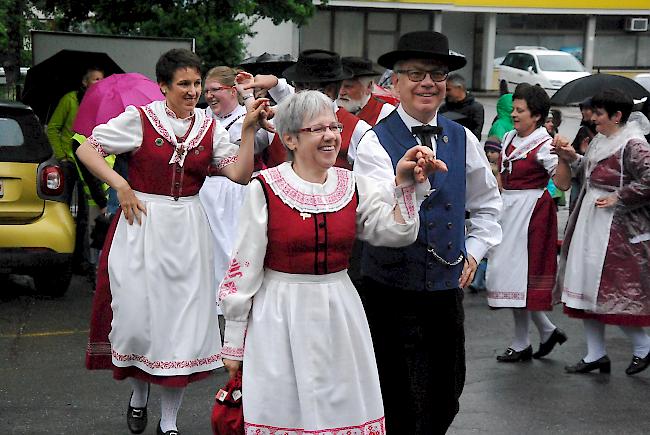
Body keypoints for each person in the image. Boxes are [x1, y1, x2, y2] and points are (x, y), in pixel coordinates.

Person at [219, 90, 443, 433]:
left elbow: (396, 233)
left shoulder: (351, 184)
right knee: (286, 407)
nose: (331, 136)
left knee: (340, 407)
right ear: (290, 138)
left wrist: (405, 185)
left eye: (334, 127)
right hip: (280, 313)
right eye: (318, 129)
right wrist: (234, 343)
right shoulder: (265, 187)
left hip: (340, 312)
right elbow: (244, 266)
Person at [77, 49, 264, 435]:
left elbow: (242, 175)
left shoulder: (210, 128)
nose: (193, 91)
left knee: (181, 327)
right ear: (163, 87)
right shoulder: (141, 120)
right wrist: (122, 185)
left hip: (189, 229)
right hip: (142, 223)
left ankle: (170, 422)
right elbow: (85, 149)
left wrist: (247, 129)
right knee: (137, 320)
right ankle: (139, 395)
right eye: (184, 84)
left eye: (197, 84)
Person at [353, 31, 503, 434]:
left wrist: (474, 250)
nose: (427, 83)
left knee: (445, 394)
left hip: (443, 290)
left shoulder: (462, 138)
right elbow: (370, 218)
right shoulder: (372, 142)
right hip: (389, 289)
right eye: (416, 73)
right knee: (394, 396)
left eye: (436, 74)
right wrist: (406, 187)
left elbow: (488, 205)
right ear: (396, 82)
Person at [555, 88, 650, 376]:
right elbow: (591, 172)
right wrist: (572, 157)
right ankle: (596, 353)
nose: (592, 118)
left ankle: (644, 348)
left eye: (598, 113)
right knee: (586, 288)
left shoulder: (633, 144)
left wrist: (620, 196)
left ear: (617, 115)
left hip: (617, 229)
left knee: (613, 292)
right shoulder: (601, 139)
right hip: (592, 221)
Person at [485, 83, 572, 363]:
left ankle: (523, 342)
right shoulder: (510, 136)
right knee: (509, 276)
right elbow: (503, 174)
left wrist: (563, 157)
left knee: (520, 278)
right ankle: (545, 331)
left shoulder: (544, 143)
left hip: (531, 214)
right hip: (509, 209)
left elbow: (561, 183)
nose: (514, 114)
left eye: (520, 110)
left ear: (536, 116)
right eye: (513, 109)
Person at [237, 49, 372, 169]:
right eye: (298, 86)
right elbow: (240, 153)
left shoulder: (359, 130)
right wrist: (253, 122)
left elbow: (371, 181)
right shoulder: (277, 120)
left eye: (305, 88)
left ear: (330, 90)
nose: (298, 94)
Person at [47, 67, 105, 275]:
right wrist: (62, 156)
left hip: (88, 163)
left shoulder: (101, 102)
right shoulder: (70, 100)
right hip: (70, 162)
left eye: (102, 79)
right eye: (95, 79)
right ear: (84, 82)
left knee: (84, 214)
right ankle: (65, 254)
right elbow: (53, 128)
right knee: (65, 209)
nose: (99, 82)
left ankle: (82, 260)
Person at [338, 56, 395, 126]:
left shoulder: (389, 115)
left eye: (348, 86)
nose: (341, 92)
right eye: (338, 86)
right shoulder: (329, 110)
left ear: (369, 87)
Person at [439, 72, 485, 139]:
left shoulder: (475, 108)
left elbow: (476, 135)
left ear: (459, 88)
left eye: (448, 89)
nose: (446, 93)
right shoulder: (443, 108)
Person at [545, 109, 566, 207]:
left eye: (552, 122)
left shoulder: (556, 137)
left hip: (554, 183)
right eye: (547, 122)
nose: (551, 124)